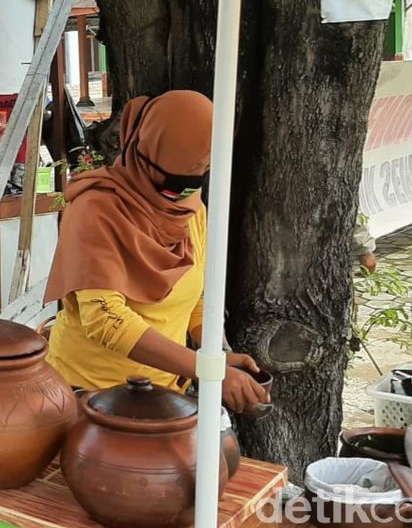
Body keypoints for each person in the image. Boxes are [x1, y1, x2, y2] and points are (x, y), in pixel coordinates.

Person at [44, 90, 269, 414]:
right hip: (87, 398)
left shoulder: (191, 209)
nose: (181, 194)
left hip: (164, 396)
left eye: (198, 175)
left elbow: (197, 297)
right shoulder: (95, 210)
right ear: (144, 150)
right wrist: (206, 370)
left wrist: (215, 351)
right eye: (174, 180)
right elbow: (105, 319)